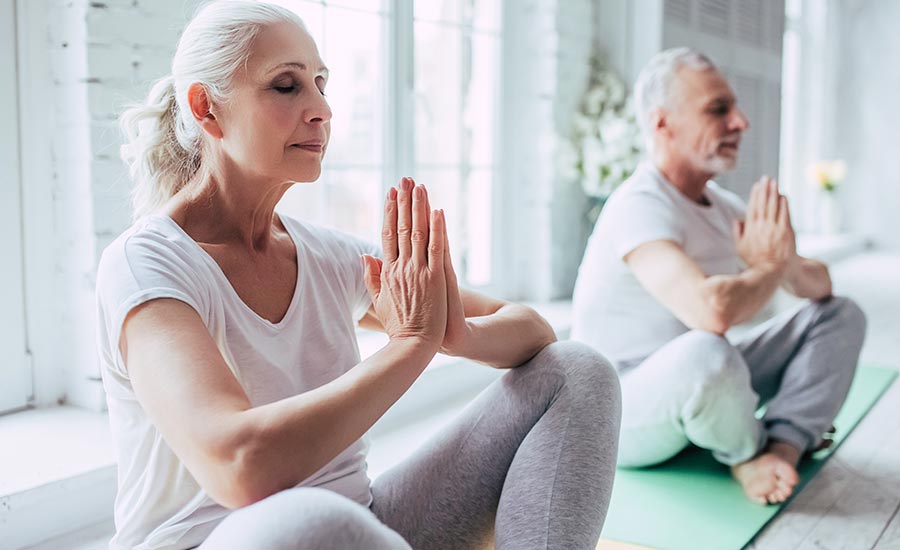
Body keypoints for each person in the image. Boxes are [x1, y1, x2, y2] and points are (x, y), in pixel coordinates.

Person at [95, 1, 622, 548]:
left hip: (361, 527)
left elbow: (533, 331)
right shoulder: (147, 264)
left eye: (321, 83)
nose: (321, 108)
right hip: (242, 539)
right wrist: (412, 344)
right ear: (206, 108)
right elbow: (239, 467)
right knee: (315, 523)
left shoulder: (327, 257)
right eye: (286, 86)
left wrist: (451, 331)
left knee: (576, 370)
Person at [571, 47, 866, 505]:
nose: (741, 122)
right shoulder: (638, 204)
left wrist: (783, 261)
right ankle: (745, 453)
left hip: (701, 382)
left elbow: (820, 285)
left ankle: (781, 447)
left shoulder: (724, 207)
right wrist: (769, 267)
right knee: (708, 349)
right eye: (718, 109)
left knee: (841, 315)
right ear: (662, 123)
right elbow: (710, 311)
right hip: (618, 410)